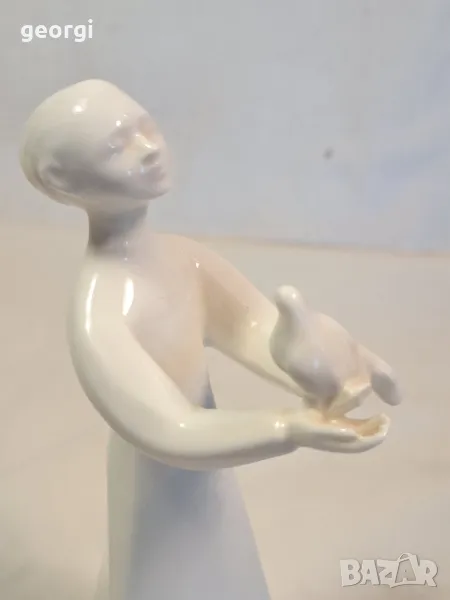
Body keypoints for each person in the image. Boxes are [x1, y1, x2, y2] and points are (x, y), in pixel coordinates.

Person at [20, 79, 400, 600]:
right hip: (157, 475)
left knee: (220, 552)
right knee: (164, 562)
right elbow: (168, 429)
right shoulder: (99, 312)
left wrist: (338, 362)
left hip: (205, 458)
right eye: (116, 146)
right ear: (60, 179)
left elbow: (257, 329)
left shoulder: (184, 258)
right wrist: (287, 428)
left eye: (146, 127)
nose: (149, 148)